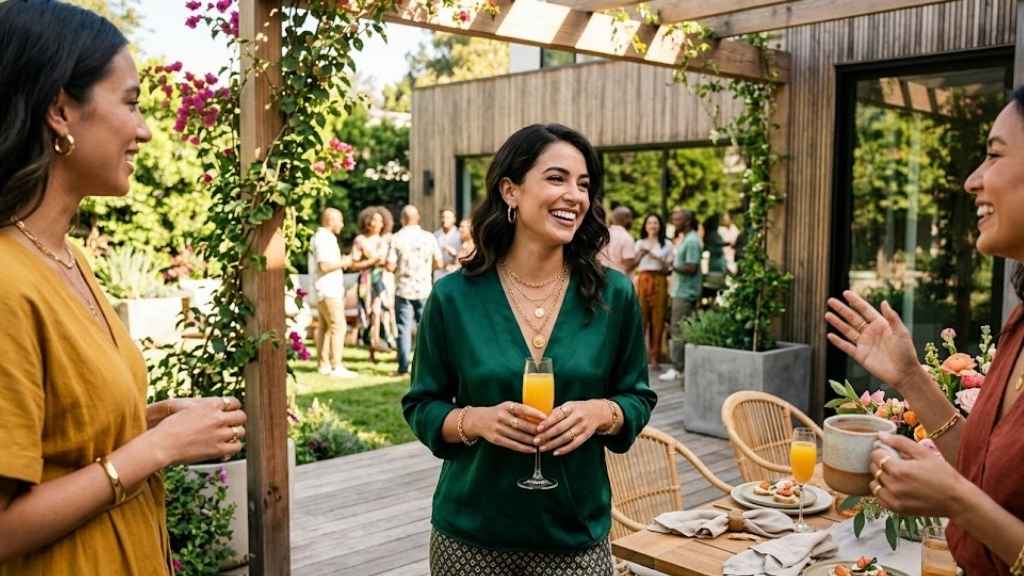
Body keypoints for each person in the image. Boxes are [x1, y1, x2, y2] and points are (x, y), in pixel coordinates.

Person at [0, 2, 247, 573]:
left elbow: (63, 437)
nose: (144, 129)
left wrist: (154, 421)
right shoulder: (8, 282)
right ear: (60, 109)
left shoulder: (70, 258)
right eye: (131, 102)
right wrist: (157, 450)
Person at [402, 124, 657, 575]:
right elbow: (422, 405)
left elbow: (637, 398)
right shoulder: (453, 298)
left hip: (574, 536)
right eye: (556, 178)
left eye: (584, 184)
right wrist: (474, 420)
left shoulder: (615, 296)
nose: (574, 196)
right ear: (510, 190)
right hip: (470, 536)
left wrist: (602, 412)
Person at [825, 86, 1024, 576]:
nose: (972, 181)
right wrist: (911, 377)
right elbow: (981, 477)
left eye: (994, 155)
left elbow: (969, 495)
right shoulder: (1020, 324)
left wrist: (956, 500)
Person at [386, 205, 442, 376]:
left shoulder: (396, 238)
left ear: (402, 219)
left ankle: (403, 367)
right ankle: (431, 369)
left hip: (403, 289)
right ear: (417, 218)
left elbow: (389, 265)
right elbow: (438, 263)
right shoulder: (429, 237)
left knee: (403, 329)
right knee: (427, 330)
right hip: (425, 289)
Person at [307, 207, 356, 378]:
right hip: (327, 290)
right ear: (331, 220)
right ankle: (337, 366)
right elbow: (325, 266)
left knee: (325, 327)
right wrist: (344, 262)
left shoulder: (321, 237)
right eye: (340, 220)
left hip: (323, 289)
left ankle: (323, 364)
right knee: (339, 326)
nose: (342, 225)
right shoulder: (324, 238)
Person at [660, 208, 701, 382]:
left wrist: (672, 267)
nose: (674, 221)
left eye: (678, 219)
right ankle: (682, 367)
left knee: (677, 329)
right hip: (682, 290)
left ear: (687, 221)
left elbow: (692, 267)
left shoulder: (691, 241)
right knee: (682, 329)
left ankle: (677, 369)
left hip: (685, 292)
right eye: (674, 218)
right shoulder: (688, 238)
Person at [633, 213, 674, 369]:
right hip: (643, 280)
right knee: (641, 318)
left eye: (655, 223)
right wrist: (642, 253)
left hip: (660, 280)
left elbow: (668, 267)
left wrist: (653, 255)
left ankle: (655, 358)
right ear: (645, 226)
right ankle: (637, 359)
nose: (652, 226)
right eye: (649, 223)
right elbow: (635, 264)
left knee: (658, 319)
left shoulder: (667, 244)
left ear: (660, 226)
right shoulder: (639, 243)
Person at [352, 207, 390, 360]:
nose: (377, 223)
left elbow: (389, 262)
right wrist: (371, 261)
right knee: (367, 313)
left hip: (383, 280)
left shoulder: (386, 240)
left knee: (379, 312)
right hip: (366, 281)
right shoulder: (360, 240)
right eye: (374, 220)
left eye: (381, 220)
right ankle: (370, 349)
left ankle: (381, 343)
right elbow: (353, 264)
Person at [599, 205, 638, 275]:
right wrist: (640, 256)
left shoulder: (602, 235)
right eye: (631, 218)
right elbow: (628, 265)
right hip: (618, 280)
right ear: (627, 219)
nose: (632, 221)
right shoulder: (626, 238)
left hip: (602, 277)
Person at [434, 208, 461, 281]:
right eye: (443, 217)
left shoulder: (460, 235)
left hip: (455, 274)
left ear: (454, 219)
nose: (444, 220)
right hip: (438, 276)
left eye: (448, 217)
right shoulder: (435, 235)